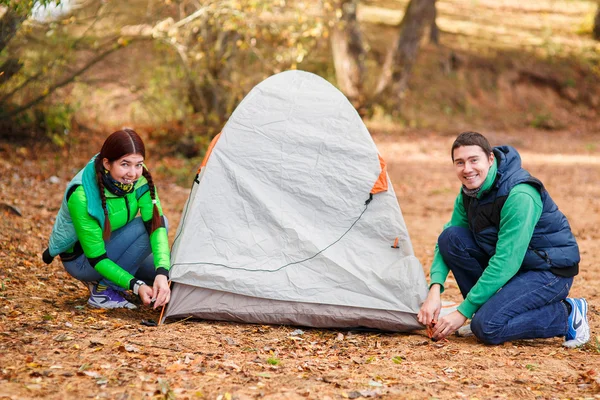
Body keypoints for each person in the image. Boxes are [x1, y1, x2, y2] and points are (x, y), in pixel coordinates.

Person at [418, 131, 589, 347]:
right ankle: (487, 311)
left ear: (490, 159)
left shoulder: (520, 195)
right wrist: (435, 290)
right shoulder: (469, 193)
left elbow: (507, 261)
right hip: (517, 267)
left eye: (473, 160)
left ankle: (568, 313)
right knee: (451, 238)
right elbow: (448, 238)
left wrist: (463, 312)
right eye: (459, 162)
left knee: (487, 327)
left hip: (548, 272)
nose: (467, 169)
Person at [42, 129, 171, 310]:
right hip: (84, 260)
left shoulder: (141, 178)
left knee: (167, 269)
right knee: (150, 227)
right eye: (125, 164)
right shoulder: (82, 195)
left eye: (138, 164)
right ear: (107, 163)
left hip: (114, 243)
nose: (133, 174)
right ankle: (103, 290)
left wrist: (162, 273)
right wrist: (136, 285)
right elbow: (96, 257)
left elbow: (156, 226)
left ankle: (115, 280)